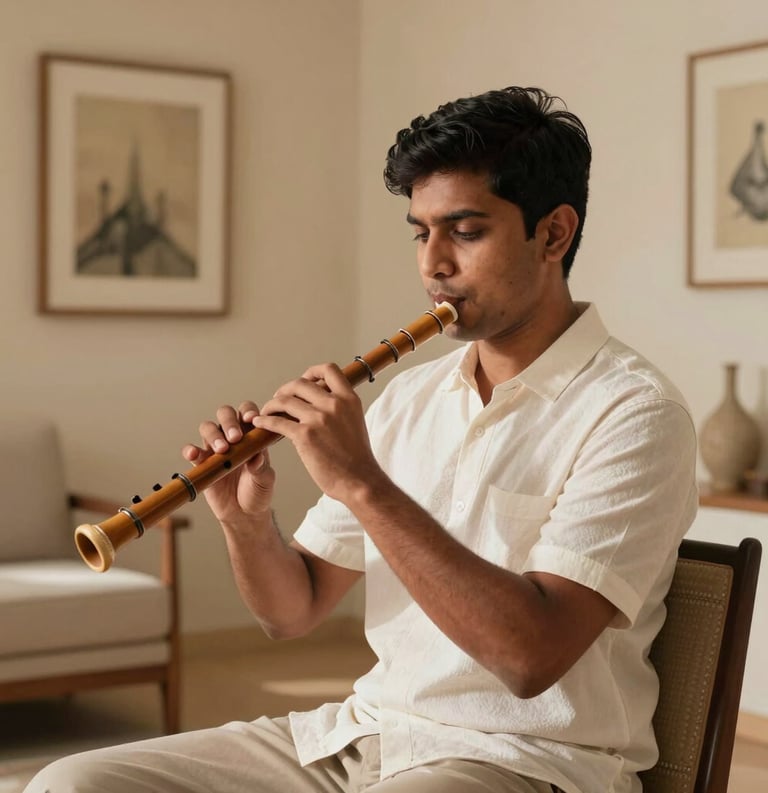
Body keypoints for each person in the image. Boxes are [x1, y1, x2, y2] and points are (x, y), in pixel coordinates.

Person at [25, 86, 697, 793]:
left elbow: (529, 658)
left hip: (523, 761)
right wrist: (246, 522)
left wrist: (361, 482)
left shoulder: (635, 413)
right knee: (73, 783)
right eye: (420, 231)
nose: (432, 263)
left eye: (464, 232)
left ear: (553, 233)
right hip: (365, 733)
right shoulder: (410, 397)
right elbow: (293, 610)